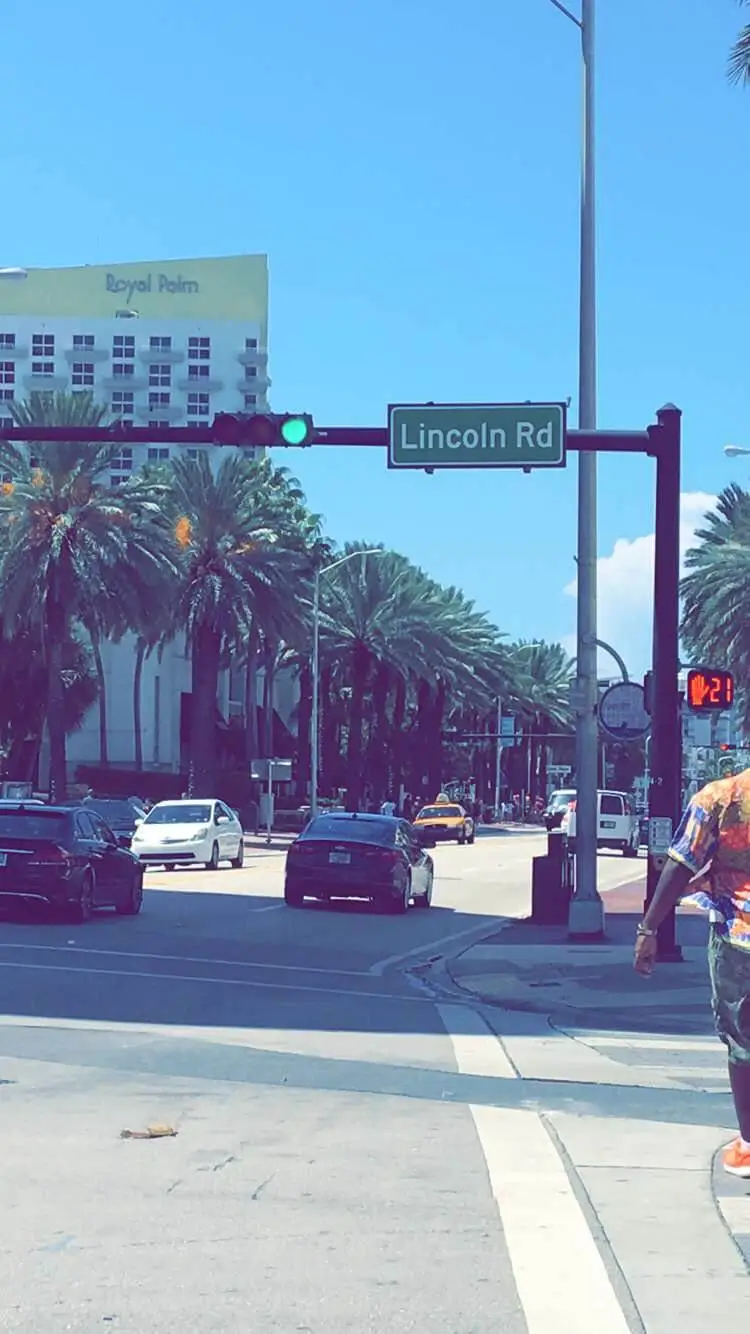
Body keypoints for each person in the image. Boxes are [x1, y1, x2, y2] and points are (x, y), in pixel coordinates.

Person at [634, 771, 750, 1178]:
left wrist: (649, 929)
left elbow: (680, 864)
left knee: (743, 1041)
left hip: (739, 937)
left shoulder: (720, 798)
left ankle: (749, 1145)